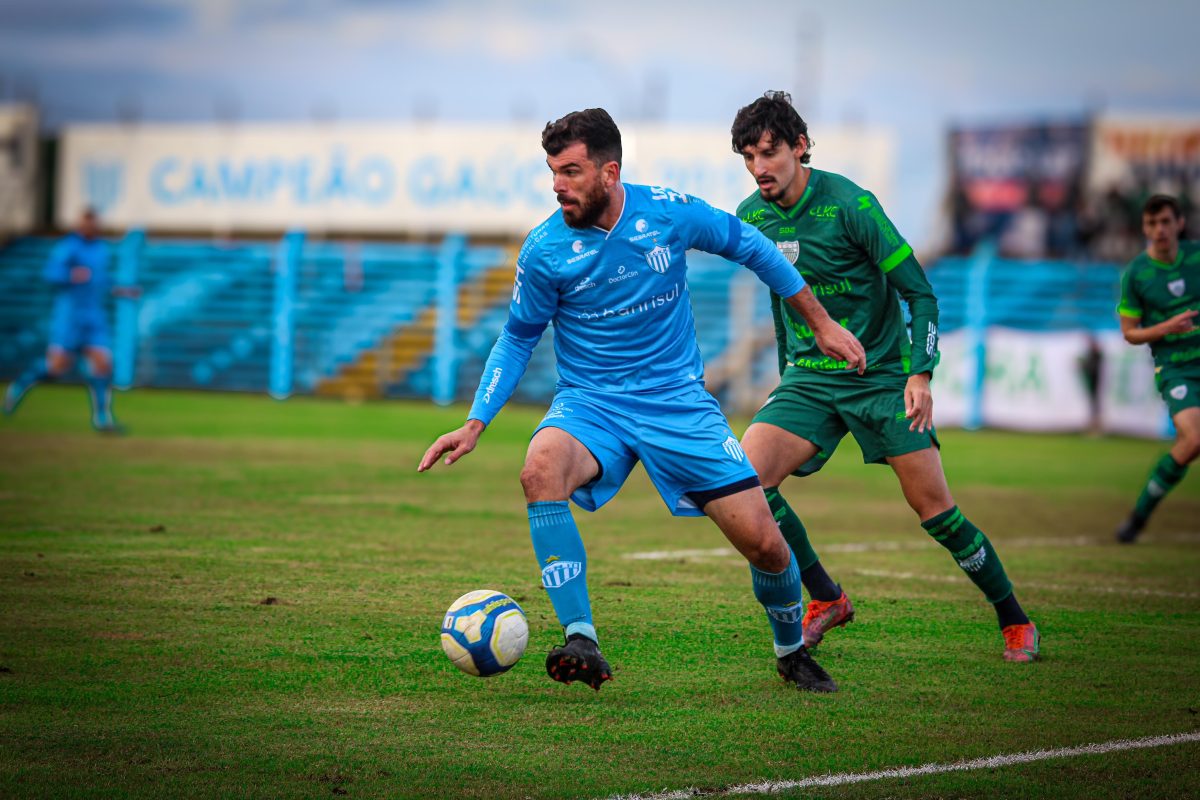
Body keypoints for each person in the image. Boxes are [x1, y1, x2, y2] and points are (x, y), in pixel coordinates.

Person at [418, 108, 867, 692]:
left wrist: (823, 323)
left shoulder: (666, 212)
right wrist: (476, 422)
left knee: (766, 545)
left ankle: (790, 652)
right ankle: (581, 636)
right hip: (591, 404)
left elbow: (753, 246)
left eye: (572, 171)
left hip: (677, 404)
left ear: (609, 172)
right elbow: (518, 337)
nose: (559, 185)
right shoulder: (544, 249)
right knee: (540, 469)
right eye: (553, 172)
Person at [729, 91, 1039, 662]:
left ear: (800, 147)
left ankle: (1014, 619)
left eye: (769, 152)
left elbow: (919, 293)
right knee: (747, 482)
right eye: (748, 157)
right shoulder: (752, 217)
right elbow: (782, 303)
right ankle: (827, 597)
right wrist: (786, 376)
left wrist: (920, 374)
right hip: (810, 381)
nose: (759, 168)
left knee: (936, 513)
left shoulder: (853, 206)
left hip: (884, 378)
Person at [1114, 194, 1199, 542]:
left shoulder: (1196, 257)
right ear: (1144, 228)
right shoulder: (1136, 274)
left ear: (1179, 223)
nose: (1159, 230)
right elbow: (1130, 332)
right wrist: (1167, 328)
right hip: (1177, 369)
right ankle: (1139, 516)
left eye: (1165, 221)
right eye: (1152, 224)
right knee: (1194, 439)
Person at [4, 208, 130, 432]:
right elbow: (50, 273)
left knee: (103, 363)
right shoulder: (68, 247)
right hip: (69, 317)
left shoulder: (101, 249)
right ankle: (17, 388)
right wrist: (70, 275)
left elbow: (101, 278)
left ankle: (102, 418)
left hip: (93, 318)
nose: (91, 227)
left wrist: (119, 288)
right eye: (87, 223)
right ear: (80, 225)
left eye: (94, 223)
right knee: (57, 366)